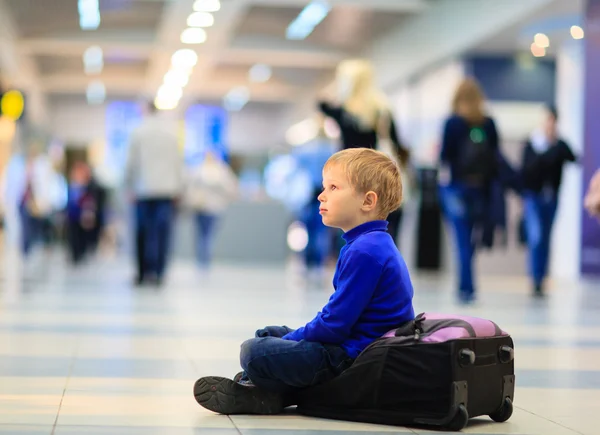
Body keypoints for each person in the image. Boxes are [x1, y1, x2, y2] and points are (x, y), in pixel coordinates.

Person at [193, 148, 415, 415]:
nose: (321, 195)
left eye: (333, 188)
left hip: (350, 359)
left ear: (367, 201)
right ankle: (265, 390)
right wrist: (288, 339)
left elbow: (334, 326)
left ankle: (263, 390)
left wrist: (292, 340)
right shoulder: (371, 244)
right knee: (269, 334)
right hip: (349, 346)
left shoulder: (365, 251)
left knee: (253, 352)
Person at [318, 59, 410, 245]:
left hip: (348, 179)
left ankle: (353, 268)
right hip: (376, 176)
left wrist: (340, 90)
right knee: (384, 231)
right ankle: (386, 267)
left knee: (349, 231)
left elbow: (321, 103)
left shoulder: (343, 111)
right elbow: (397, 144)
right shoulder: (382, 109)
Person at [439, 78, 508, 304]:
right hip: (480, 189)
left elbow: (444, 157)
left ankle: (465, 288)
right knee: (471, 240)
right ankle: (468, 286)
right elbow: (496, 158)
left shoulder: (452, 123)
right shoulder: (488, 124)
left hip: (457, 188)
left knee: (461, 240)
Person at [520, 106, 577, 296]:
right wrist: (545, 150)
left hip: (551, 198)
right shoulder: (533, 143)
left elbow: (573, 157)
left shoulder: (559, 144)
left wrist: (556, 144)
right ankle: (535, 278)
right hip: (533, 197)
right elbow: (527, 170)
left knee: (545, 239)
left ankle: (541, 280)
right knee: (535, 237)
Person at [125, 102, 183, 286]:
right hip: (166, 191)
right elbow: (178, 163)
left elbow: (131, 163)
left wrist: (128, 186)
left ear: (145, 110)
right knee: (162, 234)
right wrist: (178, 189)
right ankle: (159, 273)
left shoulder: (139, 132)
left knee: (142, 233)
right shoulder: (171, 133)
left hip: (143, 191)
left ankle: (142, 273)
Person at [183, 152, 238, 268]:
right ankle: (202, 259)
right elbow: (189, 188)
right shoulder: (199, 170)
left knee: (207, 235)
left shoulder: (221, 171)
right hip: (200, 208)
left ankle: (204, 259)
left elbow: (231, 189)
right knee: (202, 235)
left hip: (214, 209)